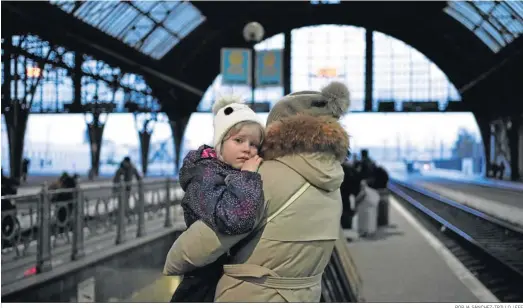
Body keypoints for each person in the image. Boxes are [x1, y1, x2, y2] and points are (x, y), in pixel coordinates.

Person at [163, 81, 351, 302]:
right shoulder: (333, 184)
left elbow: (197, 247)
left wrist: (172, 260)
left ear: (277, 131)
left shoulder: (266, 176)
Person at [170, 97, 265, 302]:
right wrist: (247, 177)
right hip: (204, 282)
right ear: (220, 143)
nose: (247, 149)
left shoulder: (222, 171)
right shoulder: (204, 176)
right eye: (239, 140)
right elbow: (235, 220)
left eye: (254, 144)